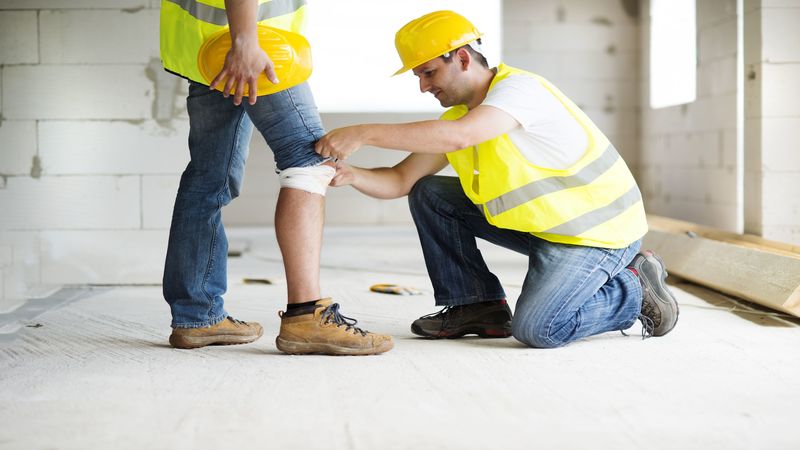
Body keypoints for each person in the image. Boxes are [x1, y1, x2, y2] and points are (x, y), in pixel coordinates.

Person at [315, 10, 679, 348]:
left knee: (539, 329)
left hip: (598, 235)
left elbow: (459, 137)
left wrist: (363, 132)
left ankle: (635, 287)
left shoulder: (520, 91)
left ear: (460, 58)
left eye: (428, 73)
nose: (423, 87)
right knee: (429, 192)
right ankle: (476, 306)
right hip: (548, 229)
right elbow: (399, 181)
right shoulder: (458, 119)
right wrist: (351, 175)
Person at [159, 0, 392, 355]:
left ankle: (197, 316)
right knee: (310, 163)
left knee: (209, 177)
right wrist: (245, 41)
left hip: (206, 47)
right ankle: (306, 315)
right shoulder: (248, 42)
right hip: (255, 46)